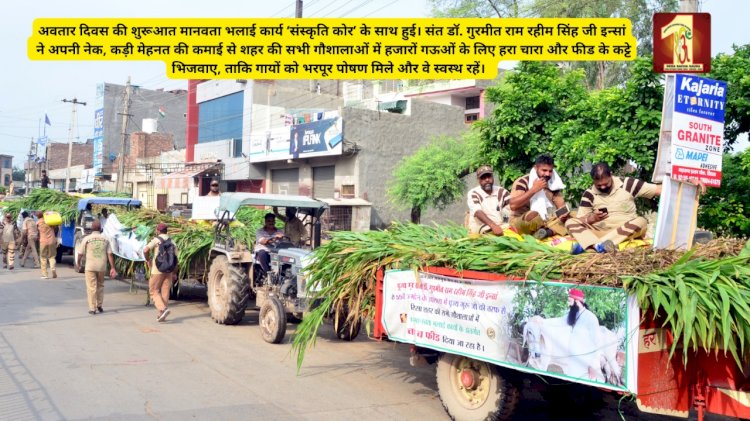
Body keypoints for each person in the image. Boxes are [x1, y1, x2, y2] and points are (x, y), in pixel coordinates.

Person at [565, 162, 700, 253]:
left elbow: (661, 190)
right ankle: (599, 246)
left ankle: (593, 246)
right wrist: (592, 219)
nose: (603, 187)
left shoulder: (628, 183)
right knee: (570, 222)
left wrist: (688, 181)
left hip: (626, 230)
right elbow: (581, 220)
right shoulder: (589, 194)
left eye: (606, 183)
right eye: (599, 185)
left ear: (611, 175)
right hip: (600, 231)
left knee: (641, 221)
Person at [509, 155, 569, 239]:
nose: (547, 174)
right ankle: (550, 231)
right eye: (544, 170)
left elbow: (561, 207)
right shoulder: (523, 181)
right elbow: (513, 206)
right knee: (533, 216)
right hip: (523, 221)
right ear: (536, 168)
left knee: (573, 216)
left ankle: (546, 232)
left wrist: (564, 215)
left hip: (546, 221)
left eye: (550, 171)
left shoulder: (553, 183)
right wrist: (534, 189)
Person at [78, 220, 117, 315]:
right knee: (100, 285)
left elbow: (80, 253)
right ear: (100, 228)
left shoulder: (86, 239)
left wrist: (78, 263)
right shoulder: (106, 239)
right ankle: (99, 305)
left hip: (90, 266)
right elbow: (110, 254)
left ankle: (92, 308)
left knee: (91, 287)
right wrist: (112, 267)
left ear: (91, 228)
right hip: (102, 266)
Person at [565, 288, 602, 380]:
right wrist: (540, 321)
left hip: (586, 365)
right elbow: (558, 321)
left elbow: (598, 343)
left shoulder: (590, 318)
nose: (568, 303)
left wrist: (593, 365)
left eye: (569, 300)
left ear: (577, 301)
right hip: (572, 363)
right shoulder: (573, 315)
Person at [143, 223, 176, 322]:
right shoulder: (173, 242)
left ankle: (163, 309)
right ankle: (162, 314)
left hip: (157, 270)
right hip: (169, 270)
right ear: (167, 231)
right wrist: (174, 273)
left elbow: (145, 250)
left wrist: (148, 259)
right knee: (165, 292)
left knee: (153, 291)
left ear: (158, 231)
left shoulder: (156, 240)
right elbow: (176, 259)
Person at [467, 165, 510, 235]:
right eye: (483, 177)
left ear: (492, 177)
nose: (487, 180)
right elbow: (478, 212)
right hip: (481, 226)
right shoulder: (474, 193)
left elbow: (510, 207)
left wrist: (505, 223)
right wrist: (493, 226)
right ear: (478, 180)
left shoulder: (502, 191)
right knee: (489, 232)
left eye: (489, 176)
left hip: (500, 225)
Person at [37, 211, 57, 279]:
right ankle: (53, 268)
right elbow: (55, 227)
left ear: (37, 216)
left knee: (43, 258)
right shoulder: (49, 221)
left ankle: (45, 274)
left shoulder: (38, 223)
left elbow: (37, 232)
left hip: (43, 242)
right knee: (52, 256)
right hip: (52, 241)